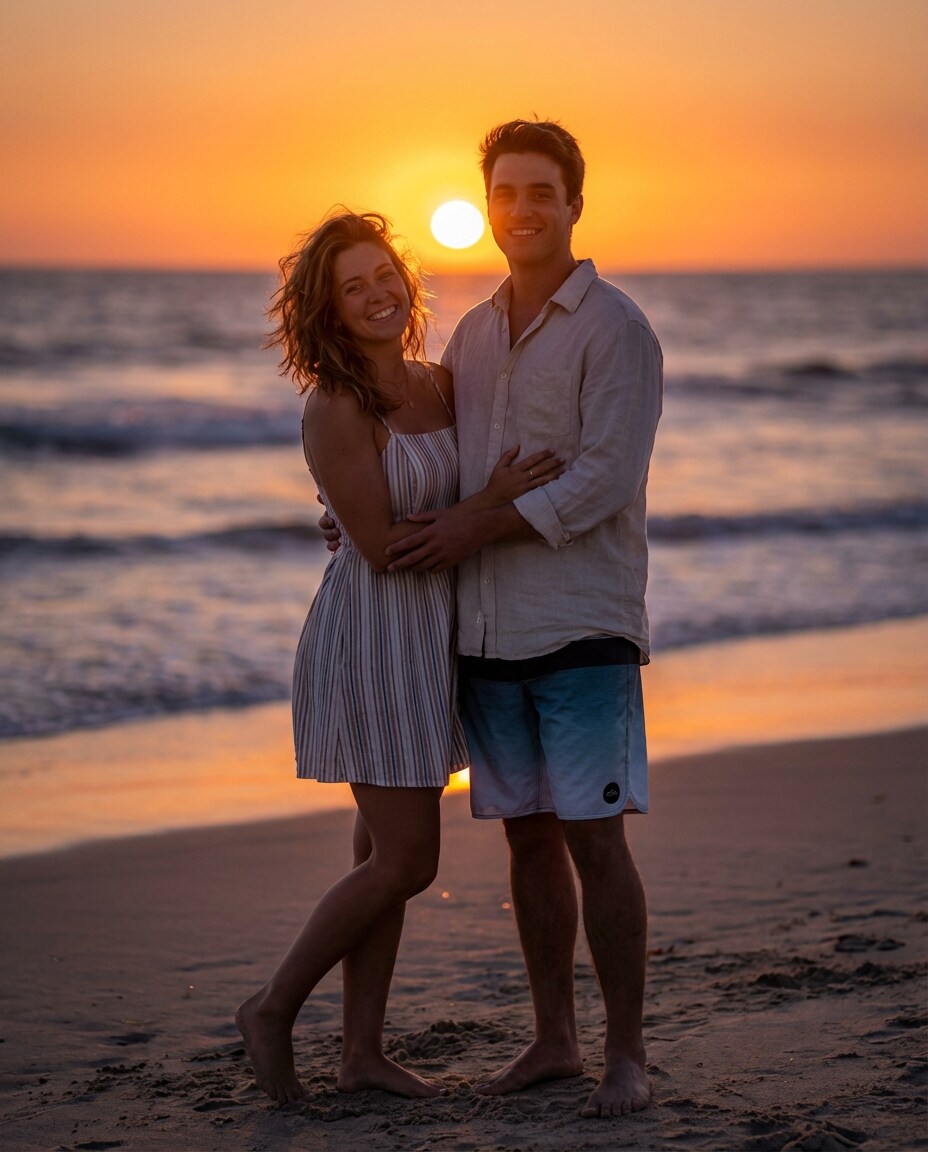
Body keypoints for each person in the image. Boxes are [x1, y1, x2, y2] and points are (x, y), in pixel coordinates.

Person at [235, 210, 563, 1105]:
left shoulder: (438, 382)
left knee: (378, 853)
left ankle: (362, 1055)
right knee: (408, 861)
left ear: (405, 281)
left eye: (385, 275)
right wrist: (490, 500)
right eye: (353, 286)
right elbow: (381, 549)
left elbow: (399, 521)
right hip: (373, 637)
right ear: (327, 310)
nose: (377, 294)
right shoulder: (334, 404)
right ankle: (270, 1009)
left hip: (432, 639)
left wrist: (463, 512)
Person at [382, 121, 664, 1118]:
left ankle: (624, 1055)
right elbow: (451, 467)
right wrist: (369, 517)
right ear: (488, 205)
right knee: (527, 844)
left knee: (596, 841)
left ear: (575, 203)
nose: (521, 210)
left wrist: (473, 527)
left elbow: (600, 482)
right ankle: (554, 1041)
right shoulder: (473, 334)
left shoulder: (615, 328)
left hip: (581, 625)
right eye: (504, 192)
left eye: (540, 192)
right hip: (488, 634)